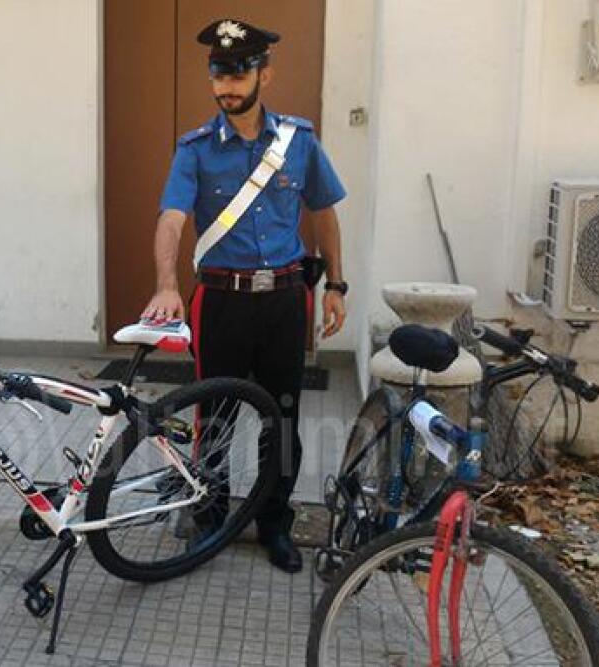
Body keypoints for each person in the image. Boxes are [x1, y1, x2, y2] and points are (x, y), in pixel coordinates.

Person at [141, 18, 348, 573]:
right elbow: (171, 218)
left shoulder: (298, 143)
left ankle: (274, 523)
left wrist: (337, 284)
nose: (228, 85)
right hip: (221, 302)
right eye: (219, 73)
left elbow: (324, 211)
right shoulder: (196, 149)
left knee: (282, 417)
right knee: (217, 416)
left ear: (265, 74)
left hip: (284, 301)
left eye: (239, 72)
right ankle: (209, 519)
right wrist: (166, 283)